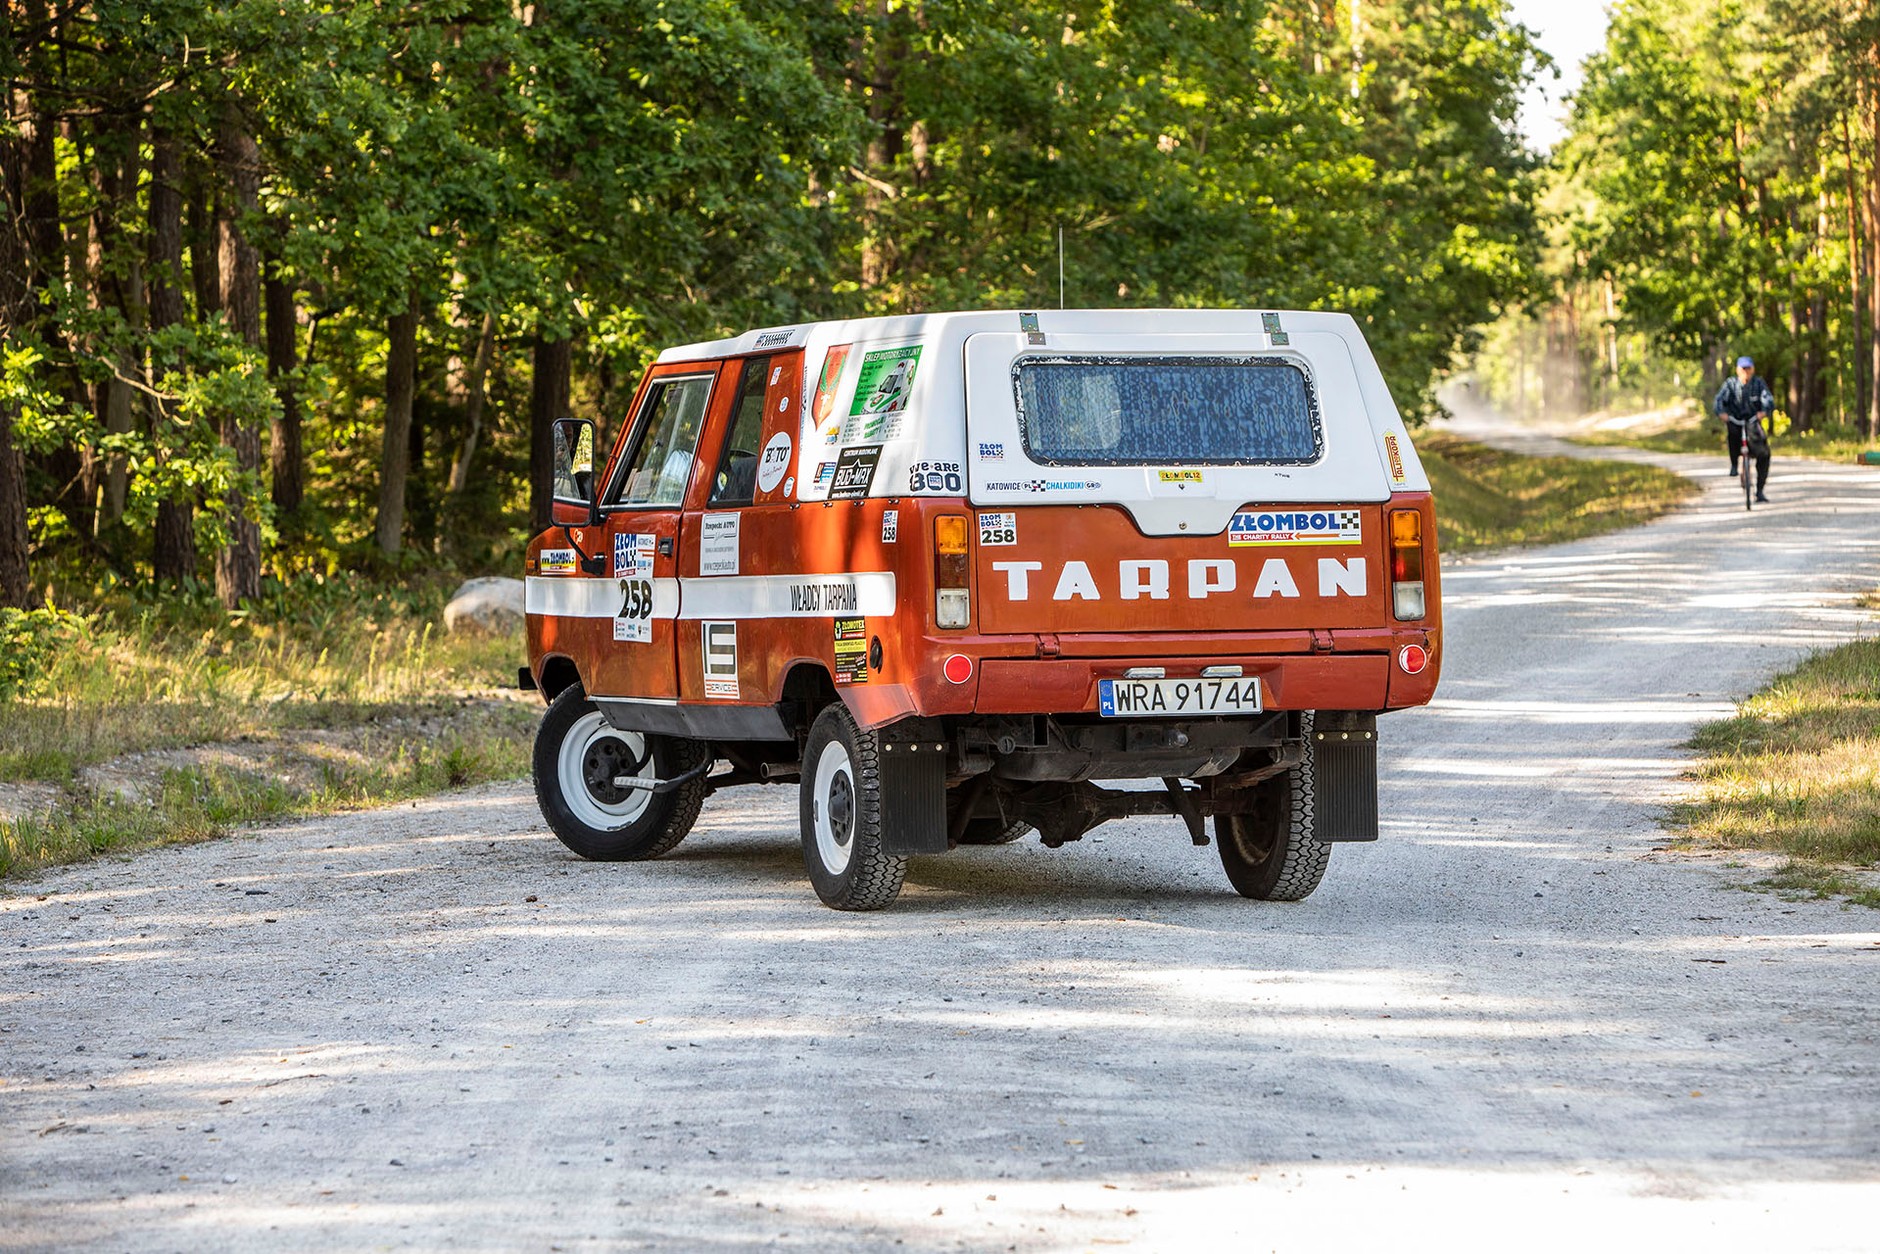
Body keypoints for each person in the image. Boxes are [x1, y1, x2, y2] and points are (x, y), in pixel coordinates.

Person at [1714, 355, 1774, 503]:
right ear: (1738, 370)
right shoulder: (1730, 384)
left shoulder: (1758, 383)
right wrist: (1721, 413)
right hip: (1735, 421)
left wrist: (1764, 411)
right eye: (1743, 368)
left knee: (1764, 453)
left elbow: (1768, 399)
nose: (1746, 371)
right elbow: (1719, 400)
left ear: (1753, 369)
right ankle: (1734, 464)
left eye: (1748, 368)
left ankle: (1759, 490)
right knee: (1732, 435)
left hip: (1753, 422)